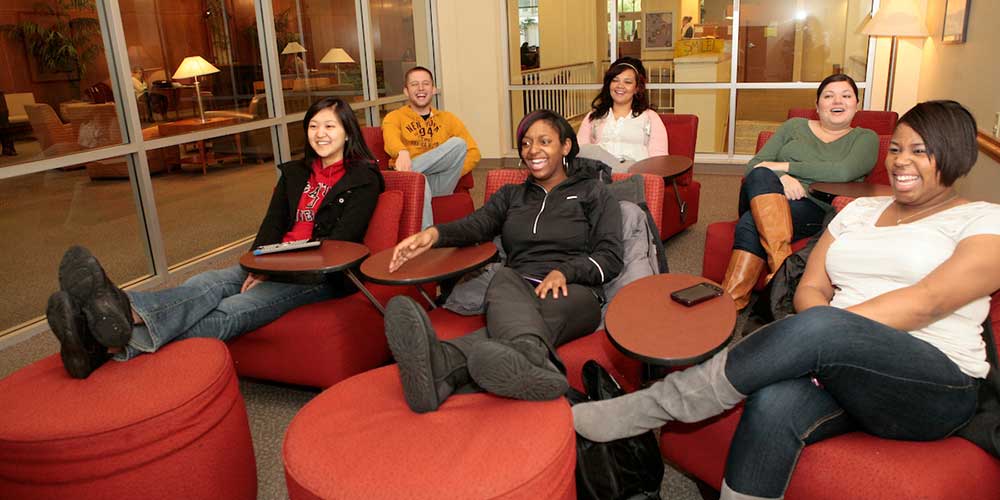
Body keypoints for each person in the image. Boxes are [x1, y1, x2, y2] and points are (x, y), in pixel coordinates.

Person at [573, 100, 1000, 500]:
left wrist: (830, 334)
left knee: (825, 326)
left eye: (920, 151)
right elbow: (810, 288)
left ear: (956, 155)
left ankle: (657, 405)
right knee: (773, 404)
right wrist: (821, 345)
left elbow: (929, 300)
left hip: (936, 382)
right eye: (898, 149)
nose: (901, 161)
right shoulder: (859, 211)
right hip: (842, 364)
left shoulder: (983, 219)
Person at [45, 97, 384, 379]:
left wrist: (274, 271)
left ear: (346, 131)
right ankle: (118, 314)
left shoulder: (363, 178)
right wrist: (257, 265)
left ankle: (109, 340)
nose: (320, 134)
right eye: (313, 126)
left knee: (232, 309)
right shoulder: (294, 173)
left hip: (320, 275)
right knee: (206, 282)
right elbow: (271, 225)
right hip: (274, 261)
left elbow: (342, 242)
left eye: (329, 126)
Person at [382, 109, 623, 413]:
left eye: (544, 141)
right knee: (505, 278)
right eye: (525, 143)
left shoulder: (593, 191)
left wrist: (566, 270)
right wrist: (432, 235)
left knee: (522, 308)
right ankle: (528, 357)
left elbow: (610, 257)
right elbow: (476, 224)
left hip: (575, 291)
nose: (532, 150)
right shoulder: (512, 195)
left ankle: (446, 362)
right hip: (517, 288)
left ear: (565, 146)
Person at [722, 73, 879, 309]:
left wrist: (786, 166)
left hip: (815, 207)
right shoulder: (794, 126)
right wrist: (782, 178)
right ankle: (782, 269)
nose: (837, 102)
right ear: (817, 106)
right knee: (761, 174)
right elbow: (755, 165)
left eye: (846, 96)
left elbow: (843, 172)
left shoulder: (866, 138)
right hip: (767, 193)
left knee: (750, 223)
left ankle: (730, 303)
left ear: (857, 105)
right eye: (829, 96)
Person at [382, 66, 481, 229]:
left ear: (433, 89)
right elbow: (390, 139)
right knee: (420, 181)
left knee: (459, 144)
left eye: (426, 84)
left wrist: (452, 170)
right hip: (410, 179)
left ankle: (414, 172)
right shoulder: (395, 117)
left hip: (440, 181)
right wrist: (402, 152)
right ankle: (426, 245)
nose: (421, 88)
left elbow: (473, 152)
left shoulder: (448, 119)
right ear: (406, 91)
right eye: (414, 84)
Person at [576, 57, 668, 172]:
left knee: (627, 166)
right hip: (599, 174)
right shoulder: (594, 116)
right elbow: (580, 150)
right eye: (615, 80)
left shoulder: (650, 117)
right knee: (589, 151)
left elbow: (659, 160)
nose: (620, 86)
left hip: (634, 175)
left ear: (637, 88)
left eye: (628, 82)